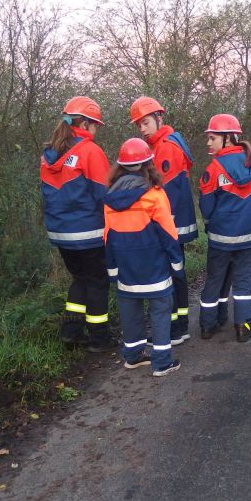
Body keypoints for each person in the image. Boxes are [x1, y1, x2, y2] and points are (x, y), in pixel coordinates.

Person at [40, 96, 114, 352]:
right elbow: (104, 194)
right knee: (97, 281)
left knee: (80, 279)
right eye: (95, 125)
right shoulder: (90, 151)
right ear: (84, 123)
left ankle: (71, 333)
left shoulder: (48, 153)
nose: (96, 131)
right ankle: (99, 338)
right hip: (88, 232)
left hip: (60, 232)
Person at [104, 138, 183, 377]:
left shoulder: (109, 198)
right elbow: (169, 234)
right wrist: (176, 264)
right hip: (155, 267)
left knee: (130, 311)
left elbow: (108, 237)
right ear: (149, 163)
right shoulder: (155, 195)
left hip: (126, 269)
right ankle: (161, 362)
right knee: (160, 310)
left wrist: (113, 271)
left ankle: (133, 356)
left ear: (119, 167)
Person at [129, 96, 198, 345]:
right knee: (172, 272)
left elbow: (168, 193)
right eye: (138, 125)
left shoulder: (167, 146)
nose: (142, 128)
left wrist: (159, 226)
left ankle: (178, 328)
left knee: (173, 273)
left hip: (170, 224)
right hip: (169, 223)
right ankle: (176, 325)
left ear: (159, 118)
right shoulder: (158, 145)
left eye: (145, 122)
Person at [198, 114, 251, 343]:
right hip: (249, 237)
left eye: (212, 138)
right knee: (243, 281)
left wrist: (211, 222)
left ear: (228, 139)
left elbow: (206, 209)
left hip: (221, 238)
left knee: (215, 280)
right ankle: (243, 327)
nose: (208, 143)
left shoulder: (213, 169)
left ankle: (207, 326)